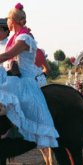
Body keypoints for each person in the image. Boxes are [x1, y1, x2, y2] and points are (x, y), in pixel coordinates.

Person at [0, 3, 59, 148]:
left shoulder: (25, 38)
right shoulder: (16, 37)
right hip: (13, 77)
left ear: (11, 21)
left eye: (7, 19)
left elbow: (8, 55)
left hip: (23, 81)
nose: (6, 22)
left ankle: (13, 131)